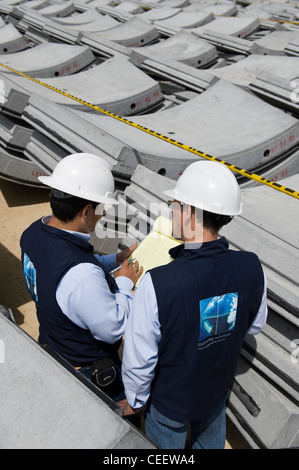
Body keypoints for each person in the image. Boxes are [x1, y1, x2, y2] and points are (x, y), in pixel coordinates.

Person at [118, 160, 268, 448]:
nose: (172, 211)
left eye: (175, 204)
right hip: (214, 396)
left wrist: (137, 401)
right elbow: (255, 325)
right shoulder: (253, 267)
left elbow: (140, 360)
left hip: (169, 407)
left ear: (189, 212)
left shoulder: (157, 283)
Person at [20, 152, 143, 402]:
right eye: (103, 208)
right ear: (87, 211)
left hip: (53, 344)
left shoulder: (33, 232)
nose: (103, 214)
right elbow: (112, 328)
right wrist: (124, 281)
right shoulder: (82, 275)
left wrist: (114, 261)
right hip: (87, 371)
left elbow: (62, 274)